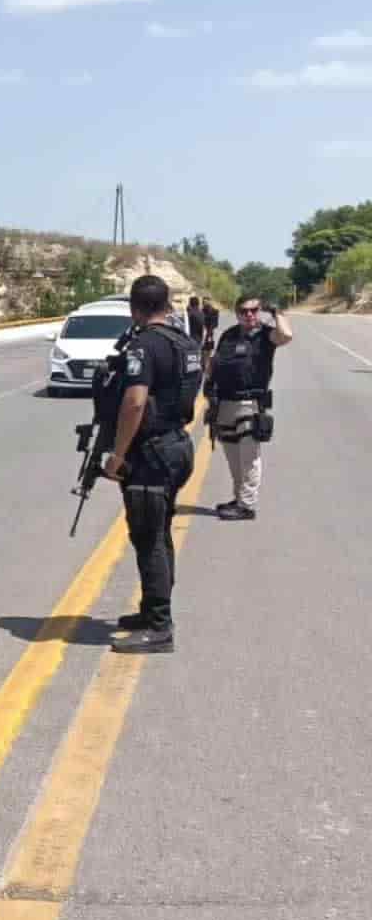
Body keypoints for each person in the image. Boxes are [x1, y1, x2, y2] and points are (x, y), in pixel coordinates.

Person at [102, 274, 200, 654]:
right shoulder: (185, 342)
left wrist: (118, 455)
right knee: (158, 533)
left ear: (134, 308)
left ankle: (160, 627)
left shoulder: (144, 345)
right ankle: (150, 612)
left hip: (151, 455)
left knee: (149, 539)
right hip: (176, 445)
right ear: (168, 304)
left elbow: (135, 403)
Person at [207, 296, 292, 521]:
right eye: (244, 311)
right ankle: (239, 499)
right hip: (225, 402)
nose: (249, 315)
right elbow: (214, 365)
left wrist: (277, 312)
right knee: (233, 456)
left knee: (249, 457)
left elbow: (286, 335)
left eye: (254, 310)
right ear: (237, 313)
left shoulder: (265, 335)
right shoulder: (229, 335)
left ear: (259, 310)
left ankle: (247, 505)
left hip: (250, 403)